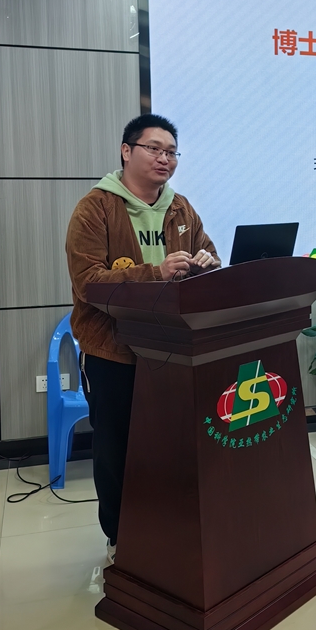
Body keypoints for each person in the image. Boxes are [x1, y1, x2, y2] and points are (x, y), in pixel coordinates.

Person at [66, 113, 220, 563]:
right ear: (126, 151)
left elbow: (208, 251)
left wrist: (207, 264)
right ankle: (120, 538)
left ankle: (168, 527)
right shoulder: (95, 208)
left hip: (173, 348)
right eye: (154, 148)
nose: (164, 158)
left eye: (171, 152)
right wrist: (156, 272)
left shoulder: (181, 208)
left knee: (171, 445)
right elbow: (88, 283)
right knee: (116, 448)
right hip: (114, 350)